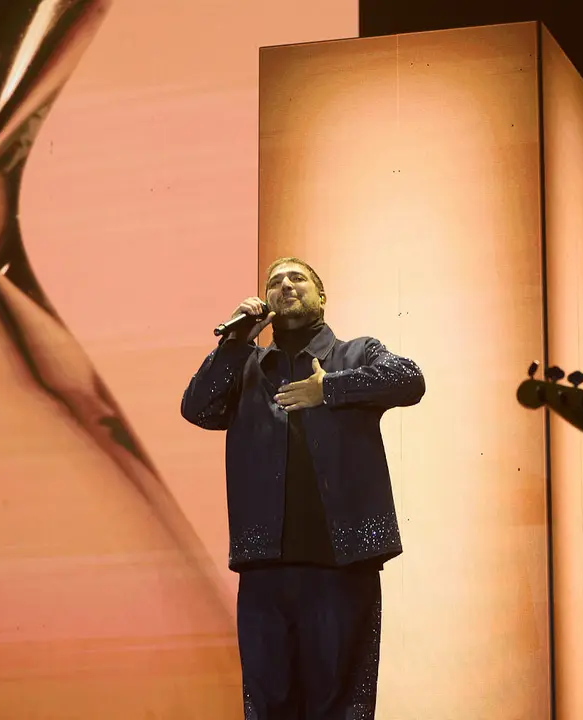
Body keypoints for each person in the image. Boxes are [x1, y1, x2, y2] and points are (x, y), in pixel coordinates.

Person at [181, 257, 425, 720]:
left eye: (297, 278)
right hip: (264, 568)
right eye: (275, 281)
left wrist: (328, 389)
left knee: (339, 703)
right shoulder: (246, 366)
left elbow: (409, 379)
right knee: (268, 704)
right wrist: (234, 345)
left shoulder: (356, 353)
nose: (284, 285)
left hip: (342, 563)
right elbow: (198, 409)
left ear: (321, 296)